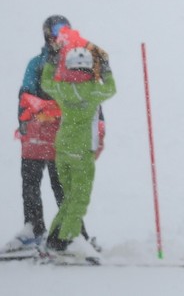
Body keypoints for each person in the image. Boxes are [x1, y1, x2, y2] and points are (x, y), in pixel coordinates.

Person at [5, 15, 104, 252]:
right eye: (56, 30)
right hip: (38, 133)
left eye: (65, 30)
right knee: (30, 181)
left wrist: (98, 129)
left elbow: (91, 98)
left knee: (62, 185)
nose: (60, 35)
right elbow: (25, 94)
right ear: (47, 33)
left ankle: (74, 234)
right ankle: (33, 227)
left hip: (64, 135)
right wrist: (24, 121)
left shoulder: (75, 63)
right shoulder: (37, 64)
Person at [40, 24, 116, 259]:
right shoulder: (93, 90)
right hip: (82, 151)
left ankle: (54, 239)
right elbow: (111, 88)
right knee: (79, 199)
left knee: (69, 197)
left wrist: (52, 61)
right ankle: (67, 240)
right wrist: (105, 68)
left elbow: (45, 83)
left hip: (62, 149)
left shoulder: (61, 89)